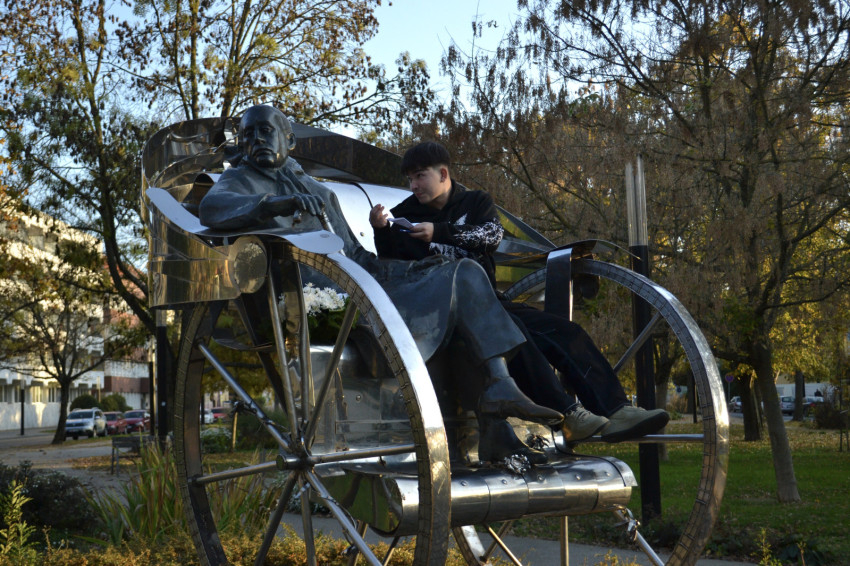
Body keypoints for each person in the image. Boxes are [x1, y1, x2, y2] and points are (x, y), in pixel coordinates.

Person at [198, 104, 563, 465]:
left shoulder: (315, 189)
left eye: (265, 131)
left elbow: (355, 254)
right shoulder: (241, 180)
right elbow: (212, 207)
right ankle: (494, 422)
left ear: (289, 140)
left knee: (463, 271)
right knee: (451, 300)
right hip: (322, 295)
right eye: (248, 134)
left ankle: (498, 393)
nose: (257, 140)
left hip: (360, 279)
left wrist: (411, 269)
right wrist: (272, 205)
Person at [369, 141, 669, 442]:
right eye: (410, 178)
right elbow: (392, 267)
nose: (414, 185)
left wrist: (439, 232)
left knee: (565, 332)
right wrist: (381, 231)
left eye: (420, 176)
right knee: (516, 332)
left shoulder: (475, 201)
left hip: (490, 302)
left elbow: (491, 236)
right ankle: (568, 415)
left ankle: (617, 410)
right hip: (445, 314)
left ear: (443, 174)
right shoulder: (403, 214)